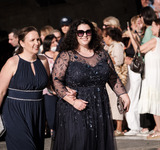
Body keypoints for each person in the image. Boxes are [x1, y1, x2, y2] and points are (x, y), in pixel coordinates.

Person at [52, 18, 130, 150]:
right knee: (80, 143)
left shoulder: (102, 54)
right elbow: (56, 81)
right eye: (80, 32)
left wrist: (123, 94)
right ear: (74, 34)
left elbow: (112, 77)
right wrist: (72, 101)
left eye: (88, 32)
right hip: (76, 107)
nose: (84, 35)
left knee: (99, 143)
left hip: (100, 105)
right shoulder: (67, 55)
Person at [0, 26, 50, 150]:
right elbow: (0, 92)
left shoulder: (43, 61)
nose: (37, 43)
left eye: (38, 39)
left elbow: (50, 86)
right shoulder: (12, 62)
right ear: (22, 43)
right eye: (32, 40)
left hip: (37, 112)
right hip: (15, 112)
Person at [128, 18, 160, 139]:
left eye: (154, 26)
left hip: (153, 75)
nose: (151, 28)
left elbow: (139, 50)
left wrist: (131, 35)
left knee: (155, 100)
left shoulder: (155, 40)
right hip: (155, 73)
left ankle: (159, 129)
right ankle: (157, 127)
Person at [103, 27, 128, 136]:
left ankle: (119, 128)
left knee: (117, 102)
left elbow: (118, 61)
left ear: (108, 36)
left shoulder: (117, 46)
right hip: (109, 77)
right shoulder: (109, 47)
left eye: (104, 37)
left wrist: (107, 58)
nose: (104, 39)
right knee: (112, 102)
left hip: (116, 77)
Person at [123, 15, 143, 136]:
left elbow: (138, 51)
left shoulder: (135, 36)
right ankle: (134, 125)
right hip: (127, 70)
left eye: (140, 23)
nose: (139, 25)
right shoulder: (126, 36)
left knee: (133, 97)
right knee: (129, 97)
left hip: (134, 70)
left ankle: (135, 126)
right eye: (137, 23)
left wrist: (131, 34)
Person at [42, 34, 59, 137]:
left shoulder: (60, 55)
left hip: (61, 90)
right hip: (49, 91)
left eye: (56, 41)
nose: (55, 44)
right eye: (53, 42)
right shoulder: (43, 57)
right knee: (51, 117)